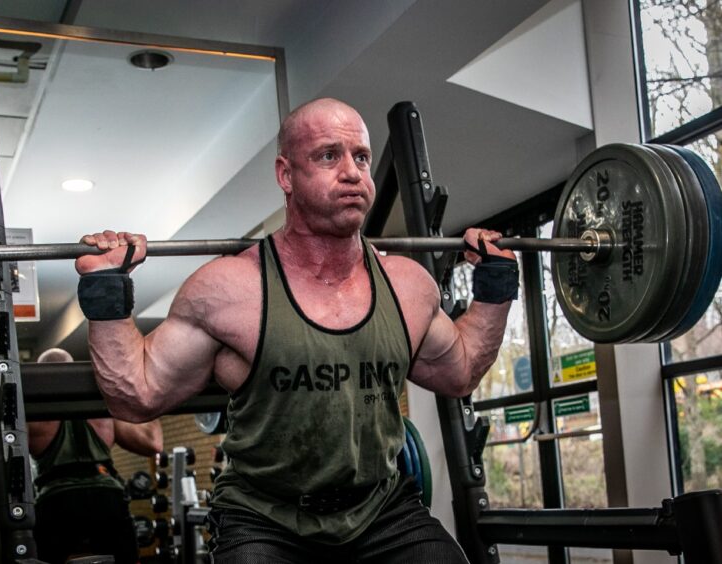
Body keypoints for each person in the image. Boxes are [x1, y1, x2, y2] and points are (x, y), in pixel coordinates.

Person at [74, 98, 517, 563]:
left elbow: (459, 372)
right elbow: (136, 396)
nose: (352, 173)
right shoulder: (229, 289)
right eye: (329, 156)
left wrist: (495, 288)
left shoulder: (409, 287)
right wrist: (107, 291)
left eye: (360, 157)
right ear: (286, 175)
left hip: (381, 509)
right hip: (265, 517)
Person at [28, 347, 164, 564]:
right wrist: (151, 402)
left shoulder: (31, 415)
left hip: (56, 501)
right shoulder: (103, 408)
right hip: (105, 496)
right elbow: (153, 443)